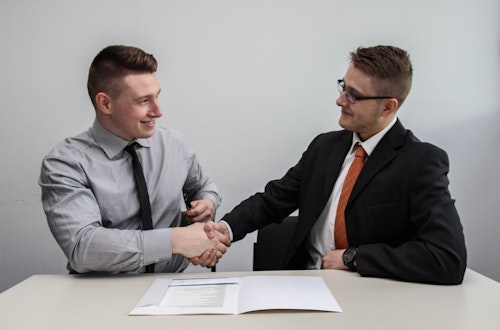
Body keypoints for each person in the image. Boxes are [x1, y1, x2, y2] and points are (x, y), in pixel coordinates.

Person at [213, 45, 467, 285]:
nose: (340, 101)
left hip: (372, 298)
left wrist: (353, 257)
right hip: (303, 287)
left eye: (353, 96)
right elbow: (273, 200)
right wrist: (223, 230)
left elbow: (447, 258)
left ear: (388, 107)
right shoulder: (324, 147)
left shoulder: (421, 161)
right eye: (343, 88)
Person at [39, 45, 229, 274]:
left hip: (172, 285)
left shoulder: (174, 144)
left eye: (157, 96)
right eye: (143, 101)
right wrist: (175, 240)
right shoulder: (65, 163)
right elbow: (83, 248)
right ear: (105, 104)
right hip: (100, 293)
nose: (158, 111)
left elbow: (204, 187)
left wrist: (206, 204)